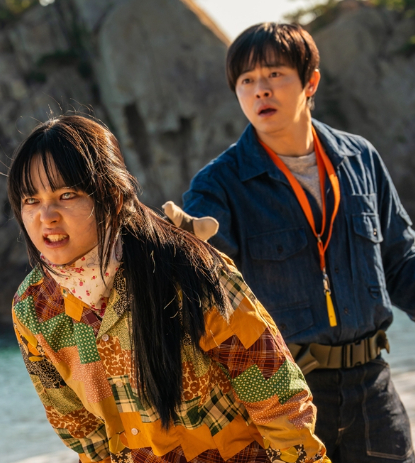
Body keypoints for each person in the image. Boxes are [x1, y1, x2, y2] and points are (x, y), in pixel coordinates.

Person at [7, 115, 331, 463]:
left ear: (112, 197)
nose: (47, 216)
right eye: (31, 200)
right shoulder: (34, 308)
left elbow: (279, 402)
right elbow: (83, 435)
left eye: (66, 195)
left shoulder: (190, 272)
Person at [171, 23, 415, 463]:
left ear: (310, 82)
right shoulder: (218, 184)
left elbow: (401, 262)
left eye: (274, 74)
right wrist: (184, 245)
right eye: (246, 81)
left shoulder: (360, 159)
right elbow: (201, 285)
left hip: (375, 393)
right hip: (283, 400)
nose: (260, 90)